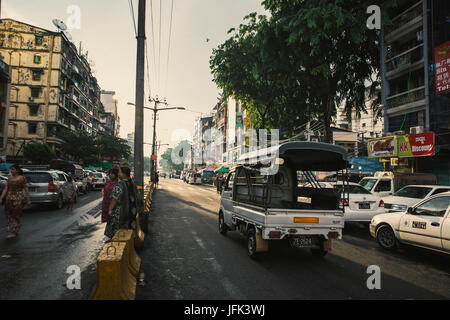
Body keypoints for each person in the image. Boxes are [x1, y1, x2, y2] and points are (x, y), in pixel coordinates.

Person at [0, 165, 31, 239]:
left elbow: (26, 189)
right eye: (11, 169)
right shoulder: (9, 179)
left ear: (17, 170)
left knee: (15, 213)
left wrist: (28, 199)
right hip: (9, 198)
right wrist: (1, 198)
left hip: (18, 198)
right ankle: (14, 228)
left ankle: (14, 231)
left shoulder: (22, 178)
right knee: (8, 213)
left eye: (13, 169)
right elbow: (6, 189)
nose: (11, 171)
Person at [104, 167, 131, 242]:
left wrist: (110, 209)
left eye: (119, 172)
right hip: (130, 211)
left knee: (115, 226)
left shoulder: (121, 184)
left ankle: (114, 240)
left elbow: (115, 198)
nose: (118, 174)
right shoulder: (131, 183)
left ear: (124, 174)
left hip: (120, 211)